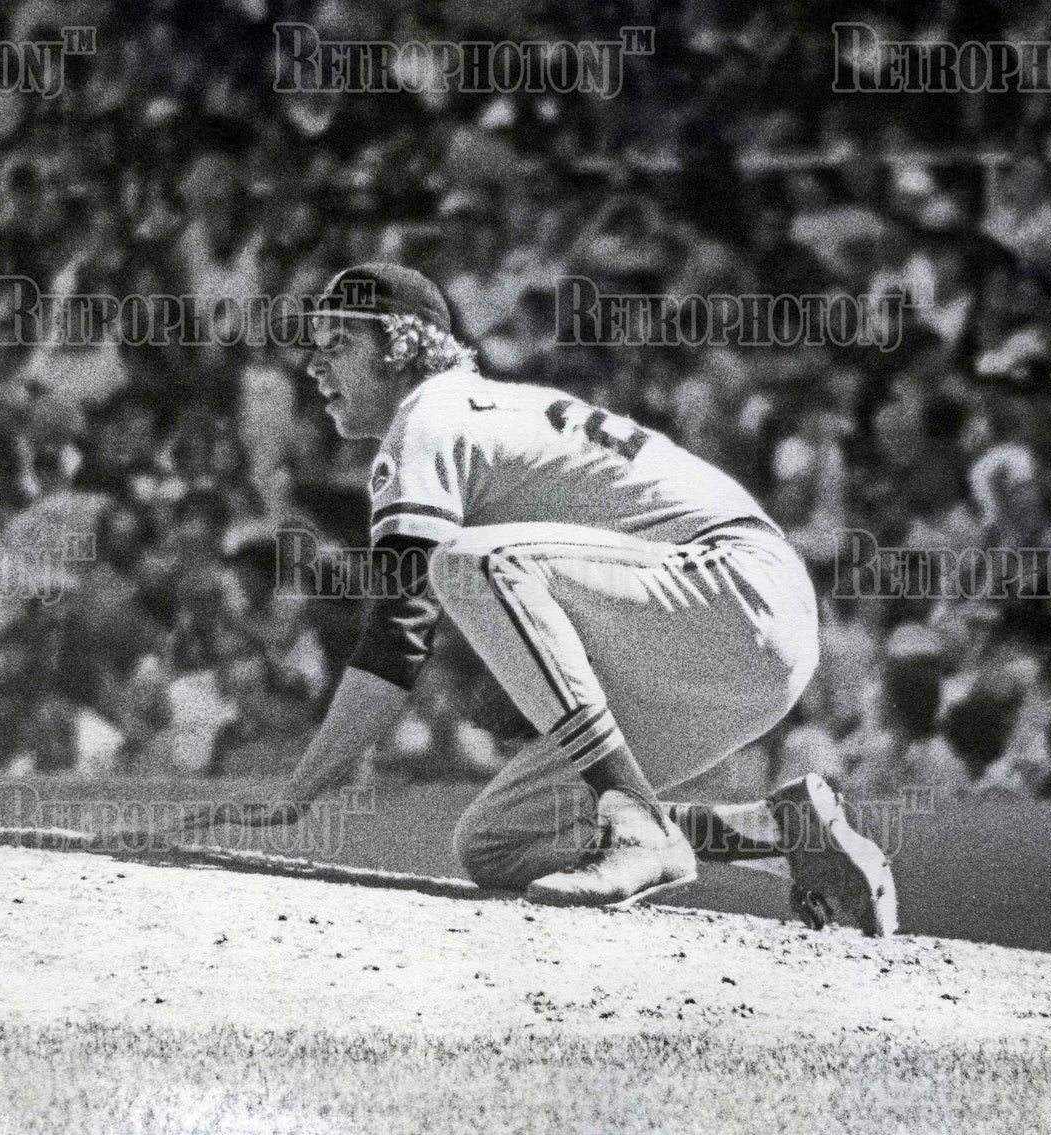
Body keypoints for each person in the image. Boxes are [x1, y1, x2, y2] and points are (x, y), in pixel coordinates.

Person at [221, 263, 896, 934]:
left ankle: (634, 823)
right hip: (721, 637)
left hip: (733, 588)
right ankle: (779, 830)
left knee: (468, 563)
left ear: (400, 346)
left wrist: (298, 791)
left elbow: (398, 633)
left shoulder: (428, 418)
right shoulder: (484, 406)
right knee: (496, 843)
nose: (313, 365)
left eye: (337, 343)